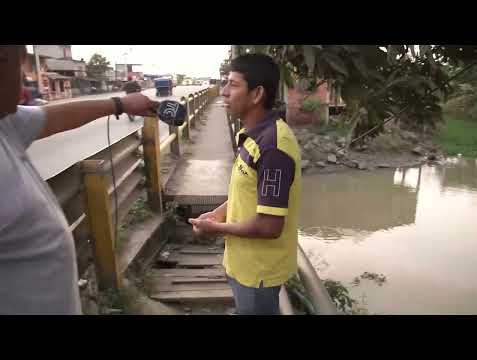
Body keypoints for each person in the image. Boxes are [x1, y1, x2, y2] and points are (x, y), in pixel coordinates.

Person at [0, 45, 159, 314]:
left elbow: (51, 118)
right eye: (13, 64)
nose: (22, 87)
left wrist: (119, 104)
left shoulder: (5, 124)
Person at [188, 54, 302, 315]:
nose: (224, 92)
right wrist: (219, 213)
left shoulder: (273, 146)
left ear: (256, 94)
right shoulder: (253, 135)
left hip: (258, 273)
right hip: (242, 264)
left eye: (233, 85)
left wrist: (216, 228)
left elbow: (270, 225)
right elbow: (249, 193)